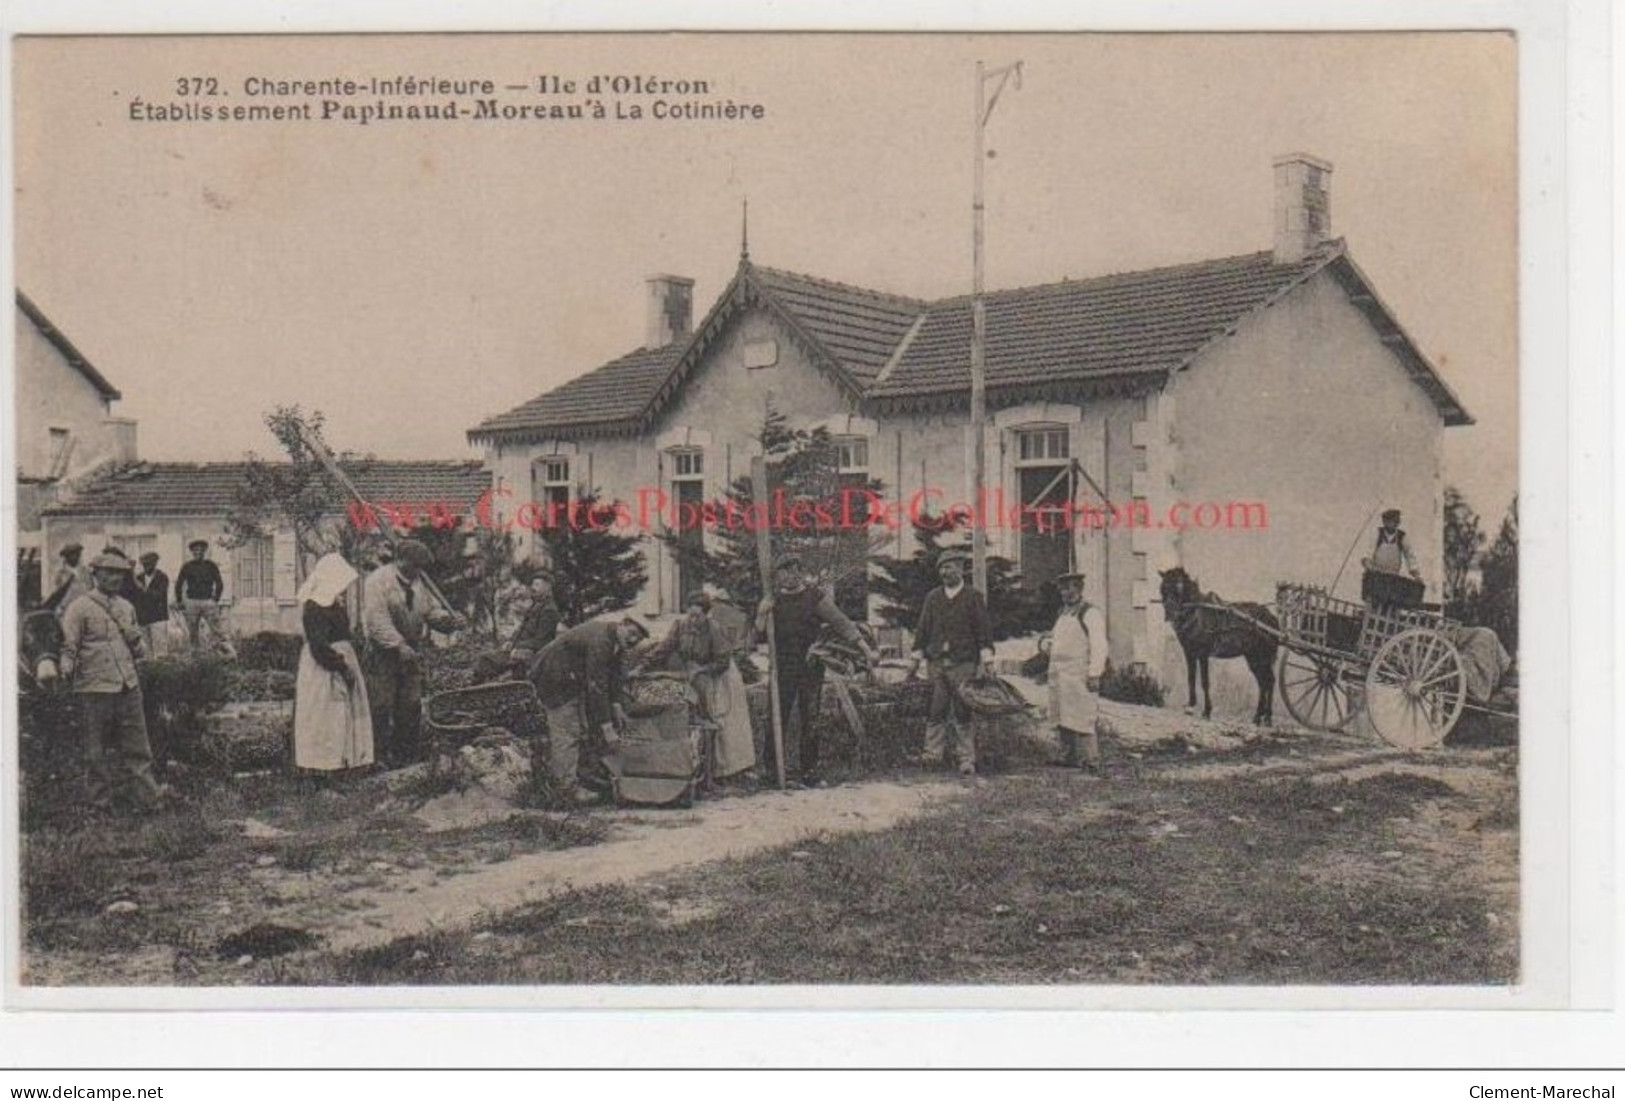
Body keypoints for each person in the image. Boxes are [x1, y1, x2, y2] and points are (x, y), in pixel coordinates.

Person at [57, 552, 165, 812]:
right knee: (95, 751)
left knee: (138, 748)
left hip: (127, 684)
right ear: (95, 574)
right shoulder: (79, 607)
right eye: (108, 572)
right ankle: (99, 804)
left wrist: (137, 643)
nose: (115, 578)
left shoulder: (126, 607)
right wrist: (65, 667)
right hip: (94, 687)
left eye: (119, 573)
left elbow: (138, 648)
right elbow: (69, 646)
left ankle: (148, 801)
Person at [755, 554, 875, 787]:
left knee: (810, 718)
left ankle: (809, 770)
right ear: (778, 575)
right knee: (776, 717)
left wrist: (865, 648)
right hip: (781, 667)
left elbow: (841, 623)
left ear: (802, 573)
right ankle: (772, 771)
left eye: (797, 569)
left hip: (810, 666)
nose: (792, 575)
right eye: (786, 570)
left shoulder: (814, 597)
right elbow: (757, 636)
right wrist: (761, 614)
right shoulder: (773, 601)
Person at [360, 538, 465, 767]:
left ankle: (406, 757)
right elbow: (376, 620)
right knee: (380, 705)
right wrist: (398, 645)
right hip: (383, 652)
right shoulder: (377, 581)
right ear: (401, 561)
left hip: (411, 650)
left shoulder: (419, 582)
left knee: (410, 705)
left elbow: (431, 612)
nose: (419, 571)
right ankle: (377, 757)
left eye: (421, 567)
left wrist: (449, 621)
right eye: (415, 566)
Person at [528, 616, 650, 803]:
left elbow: (614, 675)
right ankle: (564, 791)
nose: (633, 640)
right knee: (567, 733)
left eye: (638, 639)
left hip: (571, 679)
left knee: (581, 729)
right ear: (622, 624)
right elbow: (597, 686)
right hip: (554, 680)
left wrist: (616, 705)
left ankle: (579, 778)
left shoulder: (614, 640)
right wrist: (607, 727)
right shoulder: (601, 641)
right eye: (632, 633)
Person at [649, 591, 756, 782]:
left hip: (720, 675)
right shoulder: (680, 626)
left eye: (697, 616)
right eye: (690, 614)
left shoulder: (713, 629)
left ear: (706, 614)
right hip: (695, 674)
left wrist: (702, 670)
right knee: (695, 713)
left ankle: (725, 771)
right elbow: (665, 648)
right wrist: (645, 665)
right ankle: (698, 766)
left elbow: (722, 661)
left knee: (720, 718)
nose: (693, 619)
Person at [911, 549, 995, 777]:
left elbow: (983, 630)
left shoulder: (973, 597)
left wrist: (987, 659)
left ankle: (966, 759)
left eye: (949, 567)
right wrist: (916, 657)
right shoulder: (933, 598)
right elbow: (923, 629)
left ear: (960, 568)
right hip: (937, 663)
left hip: (964, 663)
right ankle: (932, 755)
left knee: (963, 709)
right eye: (942, 568)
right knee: (935, 709)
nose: (945, 572)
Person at [293, 552, 374, 776]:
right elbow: (318, 646)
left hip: (340, 659)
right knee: (326, 715)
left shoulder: (332, 604)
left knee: (343, 713)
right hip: (324, 668)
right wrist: (341, 666)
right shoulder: (315, 607)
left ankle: (345, 761)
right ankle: (323, 767)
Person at [1047, 570, 1107, 774]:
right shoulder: (1062, 613)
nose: (1065, 592)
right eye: (1062, 588)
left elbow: (1099, 645)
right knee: (1062, 714)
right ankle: (1068, 756)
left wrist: (1095, 673)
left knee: (1083, 715)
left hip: (1079, 671)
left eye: (1069, 587)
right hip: (1059, 671)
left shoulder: (1090, 613)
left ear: (1079, 588)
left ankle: (1092, 759)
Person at [174, 539, 236, 656]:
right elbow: (178, 584)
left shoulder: (210, 565)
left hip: (208, 602)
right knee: (192, 630)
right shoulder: (187, 566)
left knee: (217, 629)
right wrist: (179, 601)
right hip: (192, 602)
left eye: (201, 550)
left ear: (204, 551)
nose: (198, 552)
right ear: (192, 552)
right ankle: (195, 654)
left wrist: (215, 599)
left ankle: (222, 652)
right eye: (195, 550)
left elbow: (219, 583)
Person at [1361, 508, 1424, 609]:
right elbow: (1368, 553)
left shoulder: (1401, 537)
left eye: (1397, 521)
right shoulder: (1378, 534)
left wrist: (1416, 575)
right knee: (1373, 604)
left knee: (1392, 604)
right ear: (1385, 521)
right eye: (1392, 521)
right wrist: (1369, 566)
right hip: (1377, 577)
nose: (1395, 524)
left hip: (1392, 578)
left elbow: (1410, 557)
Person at [129, 552, 171, 655]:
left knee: (161, 647)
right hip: (143, 617)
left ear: (155, 563)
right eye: (144, 564)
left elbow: (158, 596)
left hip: (158, 617)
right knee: (145, 649)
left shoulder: (162, 577)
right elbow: (133, 597)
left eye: (149, 564)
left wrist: (141, 588)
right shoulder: (138, 578)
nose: (146, 566)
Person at [45, 543, 91, 616]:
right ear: (66, 557)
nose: (75, 557)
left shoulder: (85, 571)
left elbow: (90, 588)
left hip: (84, 606)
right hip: (67, 607)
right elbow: (55, 592)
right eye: (72, 555)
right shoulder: (60, 573)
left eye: (77, 554)